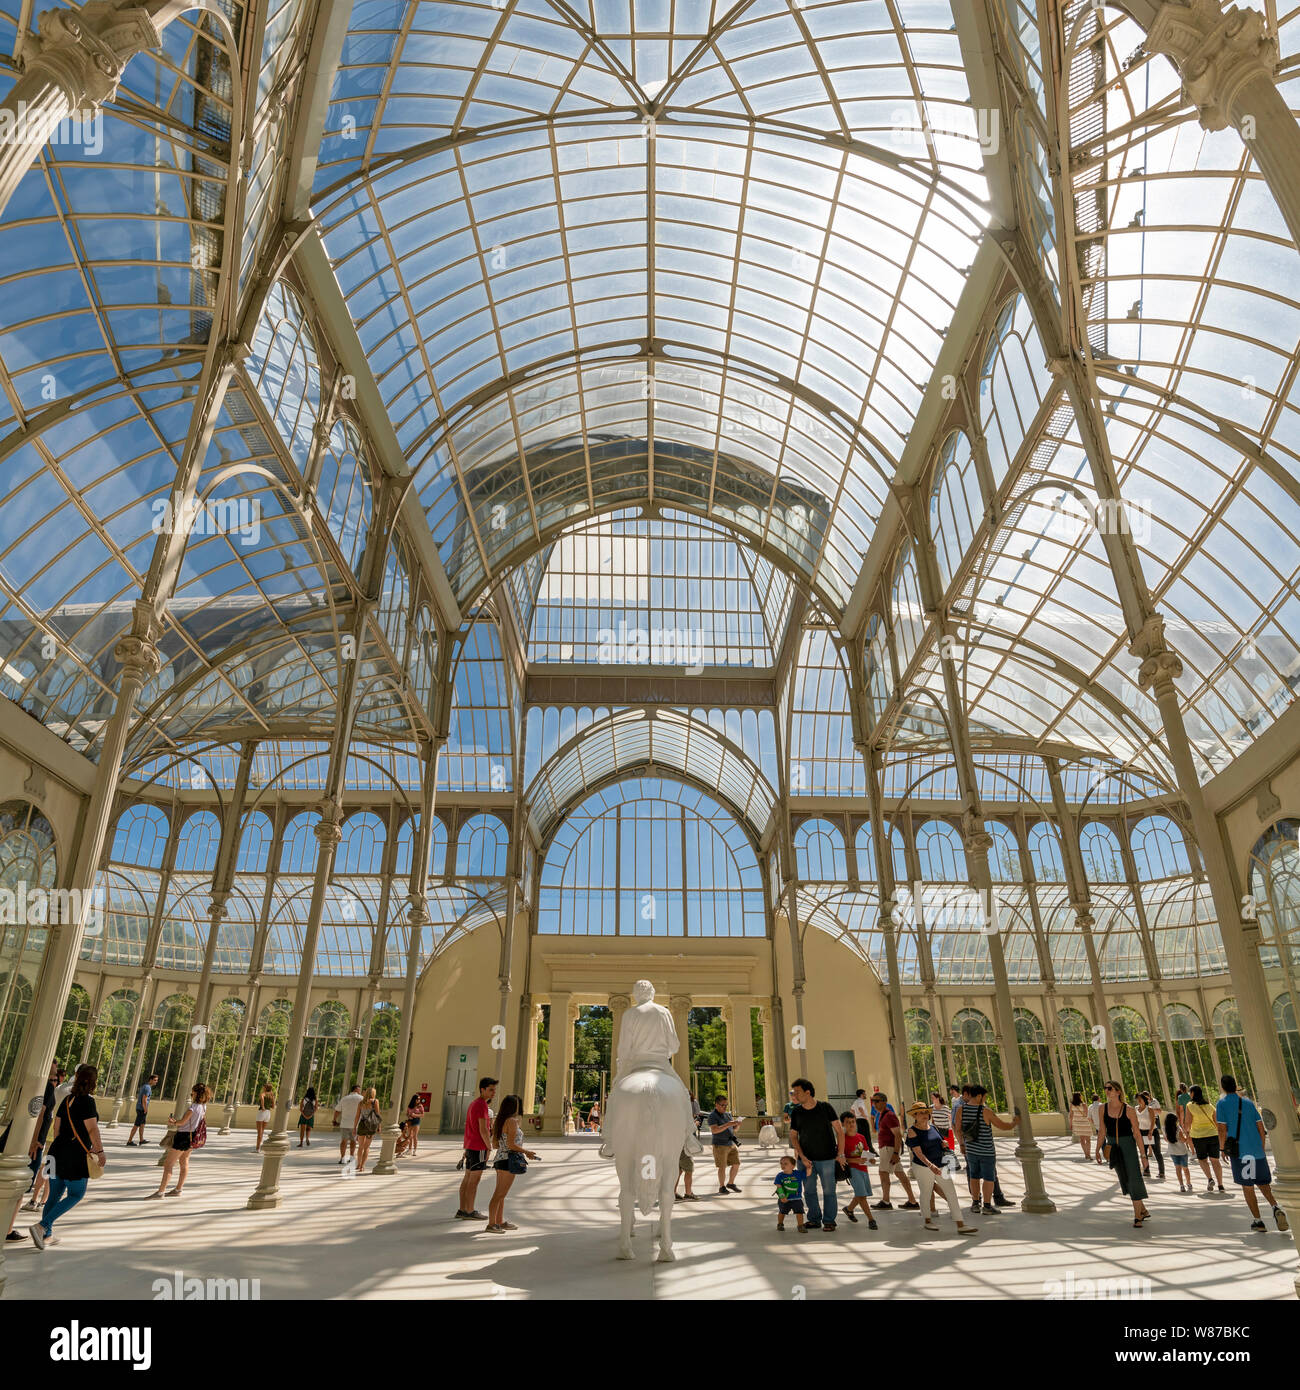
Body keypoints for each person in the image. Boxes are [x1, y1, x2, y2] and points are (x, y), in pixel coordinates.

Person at [29, 1063, 106, 1250]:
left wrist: (59, 1148)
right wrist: (100, 1151)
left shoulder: (67, 1100)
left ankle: (46, 1235)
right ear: (93, 1082)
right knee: (76, 1193)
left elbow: (56, 1127)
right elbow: (92, 1128)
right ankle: (41, 1226)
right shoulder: (88, 1102)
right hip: (75, 1155)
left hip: (56, 1151)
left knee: (54, 1194)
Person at [1215, 1074, 1289, 1234]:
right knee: (1263, 1184)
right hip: (1257, 1151)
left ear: (1222, 1087)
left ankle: (1258, 1221)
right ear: (1235, 1086)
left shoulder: (1221, 1104)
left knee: (1248, 1187)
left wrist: (1222, 1149)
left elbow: (1221, 1129)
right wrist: (1260, 1146)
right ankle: (1275, 1207)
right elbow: (1261, 1127)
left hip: (1241, 1153)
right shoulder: (1248, 1103)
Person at [905, 1102, 977, 1235]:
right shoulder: (912, 1131)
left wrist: (943, 1144)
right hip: (923, 1166)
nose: (924, 1115)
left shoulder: (933, 1127)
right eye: (920, 1113)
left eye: (926, 1112)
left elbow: (940, 1142)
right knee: (926, 1192)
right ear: (914, 1115)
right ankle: (927, 1220)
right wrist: (930, 1166)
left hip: (941, 1164)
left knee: (951, 1192)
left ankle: (960, 1224)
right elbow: (917, 1152)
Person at [788, 1077, 844, 1232]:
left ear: (808, 1092)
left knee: (829, 1191)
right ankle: (814, 1219)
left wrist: (840, 1154)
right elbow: (793, 1135)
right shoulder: (797, 1112)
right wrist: (802, 1156)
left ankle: (829, 1221)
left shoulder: (825, 1107)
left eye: (797, 1092)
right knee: (809, 1191)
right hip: (805, 1161)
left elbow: (839, 1131)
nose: (795, 1095)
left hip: (827, 1158)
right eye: (793, 1092)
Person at [957, 1083, 1017, 1215]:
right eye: (984, 1097)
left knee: (974, 1176)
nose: (985, 1100)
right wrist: (1015, 1122)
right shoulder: (986, 1111)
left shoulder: (961, 1110)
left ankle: (975, 1203)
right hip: (986, 1151)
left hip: (971, 1150)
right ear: (979, 1096)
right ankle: (987, 1206)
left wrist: (962, 1144)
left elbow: (958, 1128)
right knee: (989, 1178)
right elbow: (1003, 1126)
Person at [484, 1094, 538, 1233]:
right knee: (499, 1194)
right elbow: (511, 1144)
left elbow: (495, 1144)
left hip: (500, 1159)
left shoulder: (499, 1121)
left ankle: (499, 1221)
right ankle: (491, 1224)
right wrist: (527, 1152)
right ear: (514, 1107)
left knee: (501, 1194)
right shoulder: (512, 1121)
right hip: (509, 1159)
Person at [1101, 1081, 1150, 1227]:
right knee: (1124, 1178)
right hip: (1113, 1147)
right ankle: (1143, 1210)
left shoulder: (1128, 1110)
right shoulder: (1102, 1108)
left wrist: (1143, 1155)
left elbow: (1136, 1133)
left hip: (1127, 1145)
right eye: (1105, 1088)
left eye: (1110, 1088)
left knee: (1134, 1176)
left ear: (1118, 1091)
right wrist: (1098, 1149)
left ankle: (1137, 1216)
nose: (1107, 1091)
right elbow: (1102, 1131)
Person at [150, 1082, 209, 1199]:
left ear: (196, 1093)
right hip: (192, 1137)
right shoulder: (203, 1107)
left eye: (193, 1092)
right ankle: (178, 1189)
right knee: (184, 1162)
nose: (191, 1093)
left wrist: (174, 1122)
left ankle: (160, 1192)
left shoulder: (193, 1108)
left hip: (183, 1137)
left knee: (168, 1164)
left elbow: (182, 1122)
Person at [20, 1065, 63, 1219]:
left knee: (45, 1169)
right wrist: (34, 1140)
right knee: (47, 1170)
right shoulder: (52, 1089)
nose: (54, 1081)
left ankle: (37, 1199)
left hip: (45, 1138)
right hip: (47, 1140)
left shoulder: (58, 1089)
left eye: (56, 1079)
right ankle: (39, 1200)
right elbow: (41, 1113)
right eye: (53, 1078)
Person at [456, 1076, 497, 1219]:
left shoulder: (474, 1103)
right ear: (482, 1089)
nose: (493, 1092)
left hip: (470, 1144)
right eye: (491, 1090)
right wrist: (489, 1147)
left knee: (468, 1177)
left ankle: (462, 1209)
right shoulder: (481, 1105)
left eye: (494, 1090)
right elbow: (483, 1129)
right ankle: (470, 1210)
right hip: (478, 1146)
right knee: (474, 1180)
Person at [870, 1091, 918, 1210]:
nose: (874, 1104)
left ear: (884, 1102)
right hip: (888, 1149)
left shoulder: (889, 1116)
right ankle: (912, 1201)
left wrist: (896, 1153)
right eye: (873, 1101)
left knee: (883, 1173)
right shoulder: (882, 1114)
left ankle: (886, 1201)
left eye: (876, 1101)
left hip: (889, 1149)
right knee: (900, 1174)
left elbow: (897, 1135)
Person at [838, 1112, 878, 1228]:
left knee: (861, 1193)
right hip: (853, 1170)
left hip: (863, 1169)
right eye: (848, 1122)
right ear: (843, 1124)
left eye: (853, 1122)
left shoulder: (861, 1137)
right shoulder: (843, 1139)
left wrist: (871, 1159)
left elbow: (866, 1152)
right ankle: (871, 1219)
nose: (851, 1124)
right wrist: (855, 1161)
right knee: (862, 1195)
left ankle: (849, 1209)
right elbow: (841, 1158)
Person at [1186, 1084, 1225, 1192]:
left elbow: (1188, 1123)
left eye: (1190, 1092)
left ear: (1193, 1093)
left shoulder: (1190, 1105)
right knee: (1215, 1161)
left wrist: (1187, 1134)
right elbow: (1216, 1122)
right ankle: (1221, 1185)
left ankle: (1210, 1178)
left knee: (1202, 1160)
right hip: (1213, 1135)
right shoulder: (1209, 1105)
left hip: (1198, 1137)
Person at [709, 1094, 742, 1194]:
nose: (724, 1107)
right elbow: (714, 1130)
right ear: (716, 1105)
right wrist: (729, 1124)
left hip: (731, 1143)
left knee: (736, 1164)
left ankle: (731, 1183)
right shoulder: (712, 1116)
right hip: (719, 1145)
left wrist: (737, 1125)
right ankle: (722, 1186)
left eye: (726, 1105)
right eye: (722, 1105)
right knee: (722, 1166)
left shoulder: (728, 1115)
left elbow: (734, 1129)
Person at [772, 1154, 807, 1231]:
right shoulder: (780, 1176)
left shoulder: (797, 1174)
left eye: (786, 1164)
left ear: (793, 1166)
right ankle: (780, 1224)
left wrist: (809, 1167)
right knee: (782, 1212)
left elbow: (807, 1173)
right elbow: (779, 1187)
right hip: (784, 1199)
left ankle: (800, 1225)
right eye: (781, 1163)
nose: (783, 1165)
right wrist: (782, 1197)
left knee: (799, 1212)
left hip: (796, 1198)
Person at [1136, 1092, 1164, 1179]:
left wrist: (1150, 1132)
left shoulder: (1150, 1109)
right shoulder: (1136, 1109)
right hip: (1142, 1132)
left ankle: (1161, 1172)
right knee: (1143, 1152)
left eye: (1140, 1099)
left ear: (1144, 1100)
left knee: (1157, 1152)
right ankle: (1146, 1170)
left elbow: (1153, 1121)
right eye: (1137, 1099)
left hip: (1152, 1132)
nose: (1139, 1101)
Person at [353, 1087, 382, 1172]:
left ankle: (358, 1164)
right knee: (367, 1147)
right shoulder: (375, 1102)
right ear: (373, 1094)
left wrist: (354, 1127)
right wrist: (379, 1126)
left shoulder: (361, 1103)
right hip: (371, 1125)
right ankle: (362, 1166)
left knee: (360, 1147)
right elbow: (377, 1115)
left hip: (362, 1124)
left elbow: (357, 1116)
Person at [335, 1083, 364, 1164]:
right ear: (357, 1090)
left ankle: (343, 1158)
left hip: (345, 1123)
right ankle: (351, 1157)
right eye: (359, 1089)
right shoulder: (361, 1098)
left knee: (343, 1141)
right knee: (353, 1141)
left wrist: (334, 1120)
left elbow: (337, 1110)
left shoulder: (344, 1098)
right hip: (356, 1124)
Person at [1165, 1108, 1193, 1192]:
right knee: (1185, 1169)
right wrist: (1188, 1136)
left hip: (1173, 1152)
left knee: (1178, 1169)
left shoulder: (1166, 1129)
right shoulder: (1178, 1129)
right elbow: (1184, 1140)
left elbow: (1167, 1140)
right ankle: (1188, 1183)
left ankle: (1181, 1185)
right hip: (1182, 1151)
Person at [126, 1073, 158, 1146]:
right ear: (151, 1080)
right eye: (155, 1080)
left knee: (142, 1124)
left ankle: (141, 1140)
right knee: (136, 1125)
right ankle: (129, 1141)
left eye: (156, 1080)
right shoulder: (148, 1088)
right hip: (142, 1109)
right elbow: (144, 1099)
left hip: (140, 1108)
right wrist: (145, 1109)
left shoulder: (145, 1086)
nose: (156, 1082)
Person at [849, 1089, 877, 1156]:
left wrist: (855, 1117)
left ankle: (859, 1151)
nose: (865, 1095)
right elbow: (860, 1108)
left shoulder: (855, 1101)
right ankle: (871, 1150)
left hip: (858, 1120)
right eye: (864, 1094)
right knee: (867, 1136)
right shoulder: (860, 1101)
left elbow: (851, 1110)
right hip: (863, 1120)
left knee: (860, 1136)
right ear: (861, 1095)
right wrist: (865, 1116)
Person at [1067, 1091, 1093, 1161]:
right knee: (1088, 1140)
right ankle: (1089, 1154)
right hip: (1085, 1123)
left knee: (1082, 1140)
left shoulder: (1072, 1105)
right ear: (1080, 1097)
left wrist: (1071, 1124)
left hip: (1077, 1124)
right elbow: (1086, 1114)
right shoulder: (1084, 1104)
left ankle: (1086, 1154)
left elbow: (1071, 1115)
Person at [1087, 1093, 1106, 1164]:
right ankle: (1109, 1156)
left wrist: (1094, 1123)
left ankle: (1106, 1155)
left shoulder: (1090, 1107)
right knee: (1109, 1140)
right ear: (1098, 1098)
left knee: (1102, 1141)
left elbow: (1089, 1118)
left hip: (1097, 1126)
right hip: (1105, 1125)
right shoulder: (1102, 1105)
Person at [255, 1084, 274, 1150]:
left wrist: (263, 1106)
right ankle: (259, 1147)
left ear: (265, 1088)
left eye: (264, 1087)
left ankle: (257, 1148)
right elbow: (273, 1106)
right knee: (262, 1131)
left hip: (262, 1112)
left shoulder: (263, 1093)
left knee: (259, 1132)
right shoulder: (271, 1095)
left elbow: (262, 1098)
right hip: (268, 1113)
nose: (263, 1087)